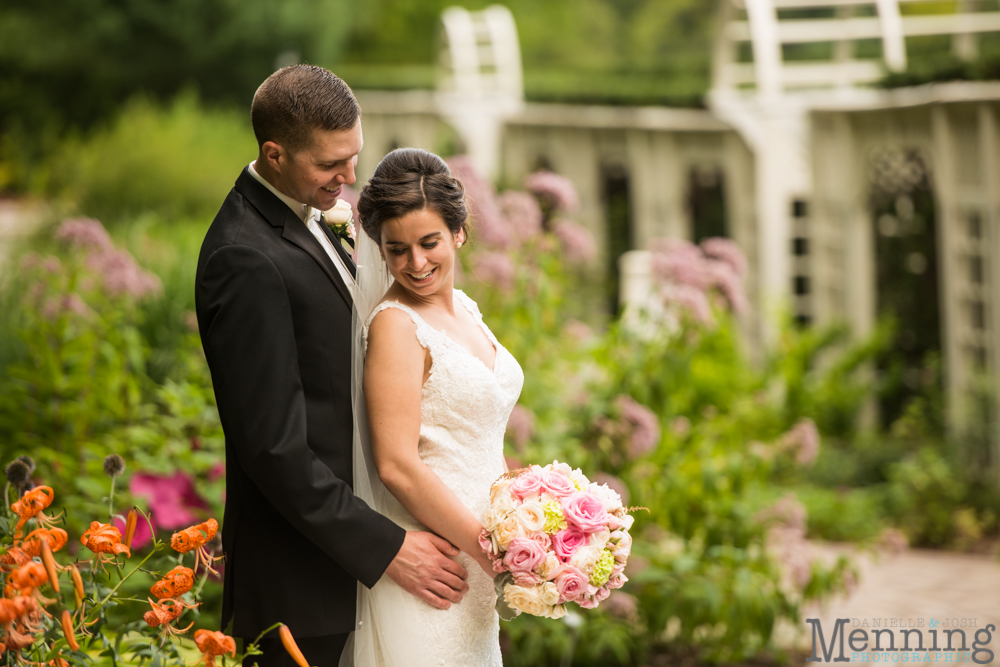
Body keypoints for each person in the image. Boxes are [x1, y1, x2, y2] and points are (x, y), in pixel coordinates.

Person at [195, 65, 469, 667]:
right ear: (273, 153)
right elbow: (272, 448)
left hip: (358, 570)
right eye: (330, 165)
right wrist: (388, 547)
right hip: (303, 586)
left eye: (354, 156)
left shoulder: (310, 213)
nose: (350, 179)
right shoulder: (245, 257)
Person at [344, 148, 523, 667]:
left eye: (429, 243)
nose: (416, 264)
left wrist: (527, 510)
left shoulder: (465, 307)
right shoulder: (397, 326)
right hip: (441, 563)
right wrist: (494, 557)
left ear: (459, 232)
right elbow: (397, 465)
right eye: (396, 250)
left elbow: (475, 432)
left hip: (481, 562)